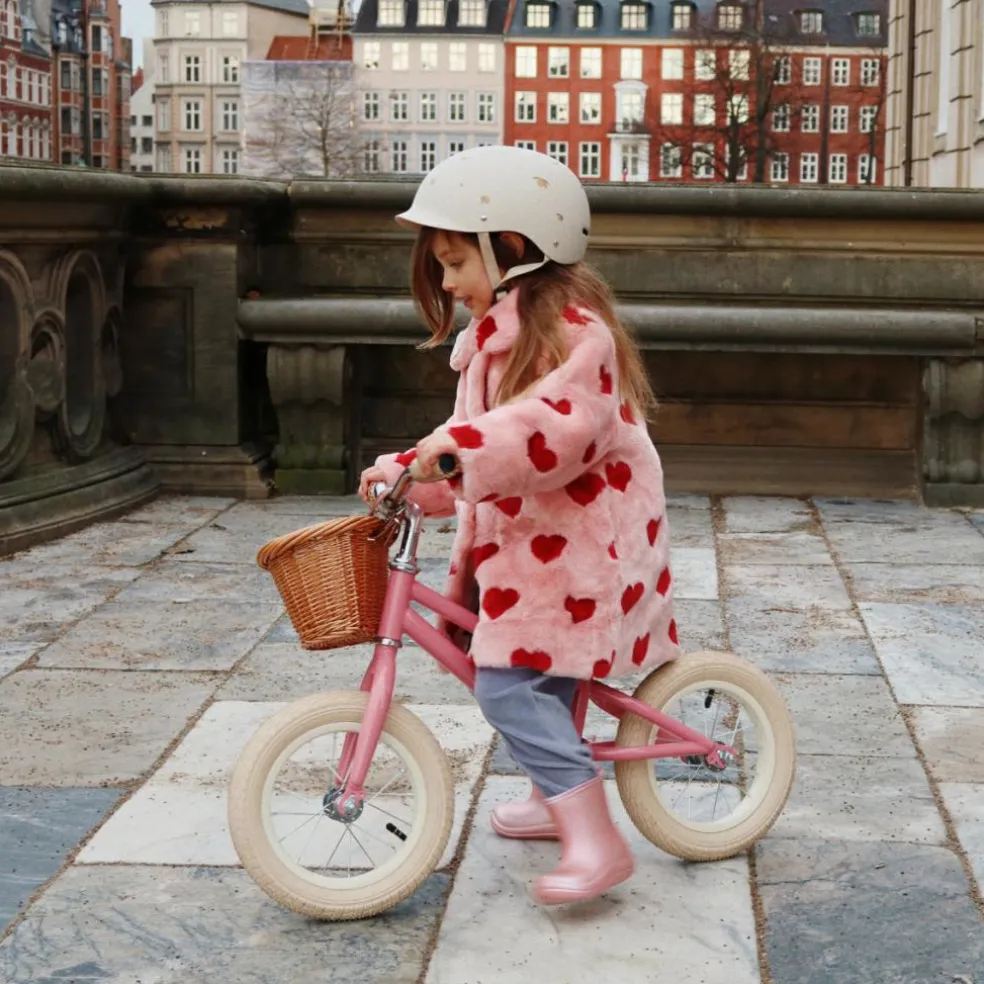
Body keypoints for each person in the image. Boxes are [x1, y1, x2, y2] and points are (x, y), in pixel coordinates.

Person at [359, 145, 679, 906]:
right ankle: (551, 796)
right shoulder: (494, 339)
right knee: (542, 678)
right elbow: (482, 445)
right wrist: (416, 469)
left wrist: (456, 453)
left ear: (510, 246)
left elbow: (551, 431)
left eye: (454, 262)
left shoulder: (577, 335)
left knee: (507, 687)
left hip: (581, 553)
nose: (446, 282)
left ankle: (596, 842)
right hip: (533, 551)